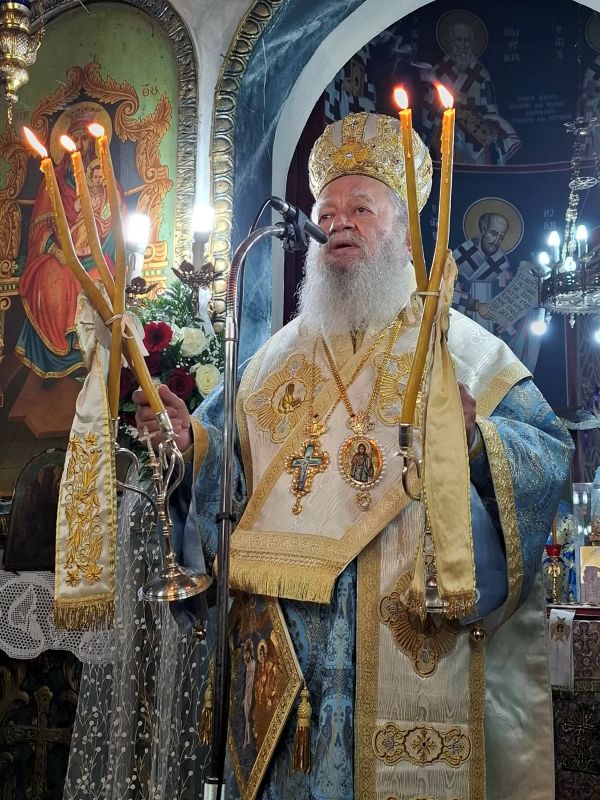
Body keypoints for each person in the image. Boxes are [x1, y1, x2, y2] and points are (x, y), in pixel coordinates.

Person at [134, 112, 572, 799]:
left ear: (403, 229)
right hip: (284, 671)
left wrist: (473, 441)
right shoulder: (270, 363)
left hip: (405, 641)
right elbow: (228, 483)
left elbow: (546, 456)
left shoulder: (464, 350)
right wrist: (190, 445)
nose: (338, 223)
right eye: (326, 212)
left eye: (361, 209)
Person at [16, 103, 126, 379]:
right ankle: (58, 357)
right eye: (74, 138)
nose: (79, 144)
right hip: (61, 253)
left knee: (98, 284)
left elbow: (117, 221)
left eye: (85, 138)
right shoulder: (53, 181)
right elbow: (40, 226)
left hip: (97, 255)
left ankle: (93, 358)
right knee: (49, 279)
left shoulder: (106, 180)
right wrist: (56, 251)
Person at [421, 15, 521, 165]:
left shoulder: (481, 74)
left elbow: (490, 110)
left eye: (466, 40)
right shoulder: (438, 72)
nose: (462, 45)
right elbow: (430, 108)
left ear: (472, 43)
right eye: (458, 40)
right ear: (451, 41)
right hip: (445, 130)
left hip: (475, 131)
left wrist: (471, 114)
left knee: (486, 140)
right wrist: (453, 114)